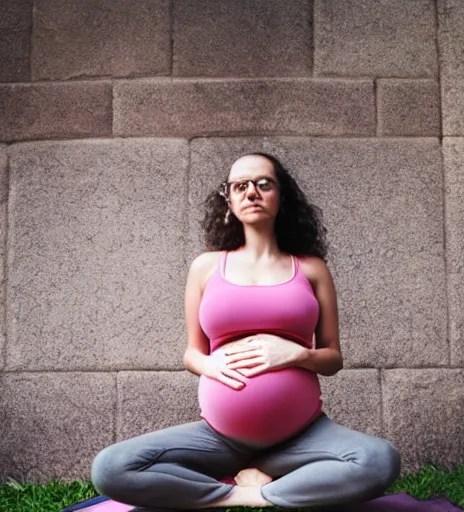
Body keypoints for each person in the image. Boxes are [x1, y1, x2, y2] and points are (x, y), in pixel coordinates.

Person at [91, 153, 401, 510]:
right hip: (219, 440)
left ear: (281, 196)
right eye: (240, 186)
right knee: (112, 467)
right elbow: (193, 353)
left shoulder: (312, 269)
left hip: (302, 436)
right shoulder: (206, 268)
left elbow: (333, 358)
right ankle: (243, 494)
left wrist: (297, 354)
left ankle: (262, 478)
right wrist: (209, 366)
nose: (251, 192)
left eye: (263, 184)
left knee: (380, 461)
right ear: (229, 200)